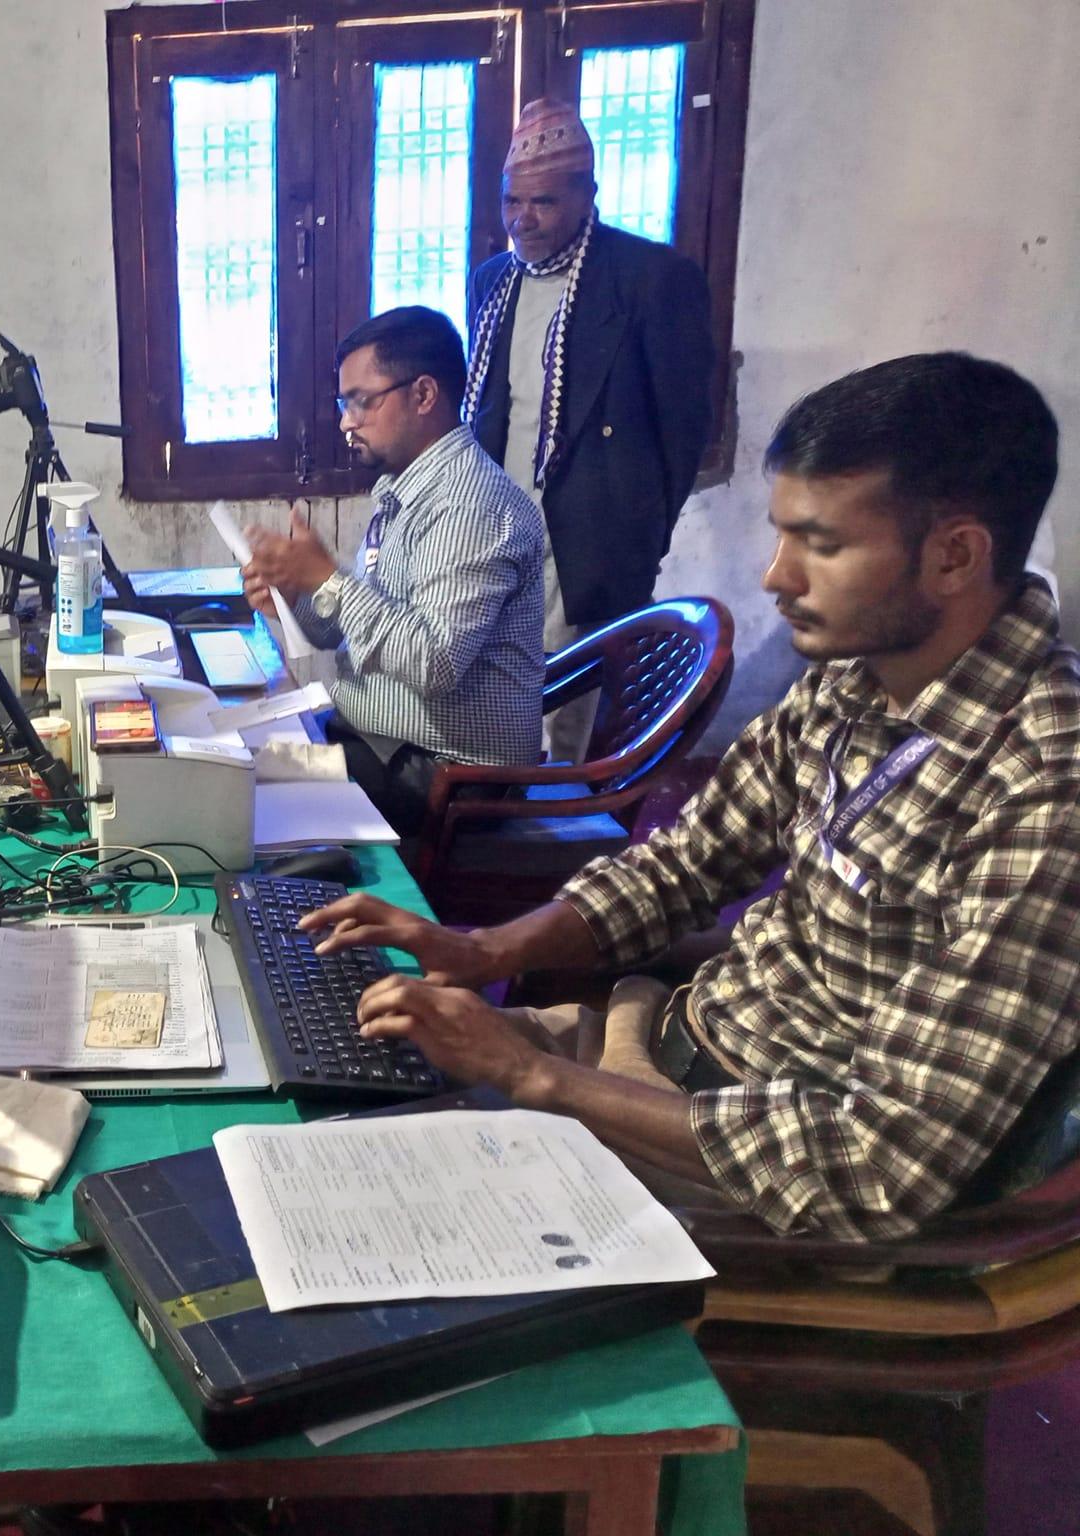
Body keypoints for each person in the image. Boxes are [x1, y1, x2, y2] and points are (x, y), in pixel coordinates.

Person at [306, 352, 1080, 1242]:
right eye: (783, 536)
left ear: (955, 556)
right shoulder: (860, 682)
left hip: (761, 1172)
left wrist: (536, 1077)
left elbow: (877, 1165)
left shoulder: (1043, 790)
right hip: (665, 1057)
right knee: (335, 1085)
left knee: (357, 1219)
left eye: (822, 545)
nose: (777, 576)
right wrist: (482, 951)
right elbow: (685, 864)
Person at [465, 99, 714, 758]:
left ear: (587, 195)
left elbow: (683, 429)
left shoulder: (650, 279)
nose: (522, 219)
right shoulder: (493, 282)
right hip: (501, 520)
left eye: (542, 202)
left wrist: (638, 530)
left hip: (590, 531)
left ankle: (558, 810)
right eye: (511, 201)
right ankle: (499, 791)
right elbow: (489, 411)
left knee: (572, 703)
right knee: (495, 688)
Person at [240, 305, 546, 837]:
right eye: (344, 403)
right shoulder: (407, 489)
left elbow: (433, 662)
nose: (346, 421)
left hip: (447, 775)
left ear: (423, 395)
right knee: (229, 761)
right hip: (385, 746)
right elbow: (349, 628)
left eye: (361, 401)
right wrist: (293, 594)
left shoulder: (469, 506)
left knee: (241, 793)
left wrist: (328, 579)